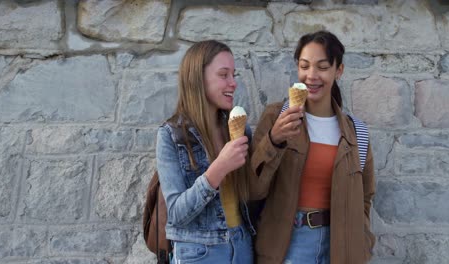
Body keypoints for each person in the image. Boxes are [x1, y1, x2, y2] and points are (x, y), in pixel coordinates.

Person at [249, 30, 376, 264]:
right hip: (289, 245)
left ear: (339, 70)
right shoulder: (276, 117)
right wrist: (274, 140)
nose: (311, 75)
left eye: (323, 67)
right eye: (304, 66)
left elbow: (366, 197)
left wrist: (362, 241)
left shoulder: (356, 132)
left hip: (341, 247)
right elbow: (252, 189)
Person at [156, 40, 255, 264]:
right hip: (200, 253)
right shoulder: (171, 135)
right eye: (224, 75)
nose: (233, 83)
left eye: (234, 74)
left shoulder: (239, 129)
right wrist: (218, 169)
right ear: (198, 79)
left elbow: (254, 193)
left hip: (242, 245)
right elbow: (176, 214)